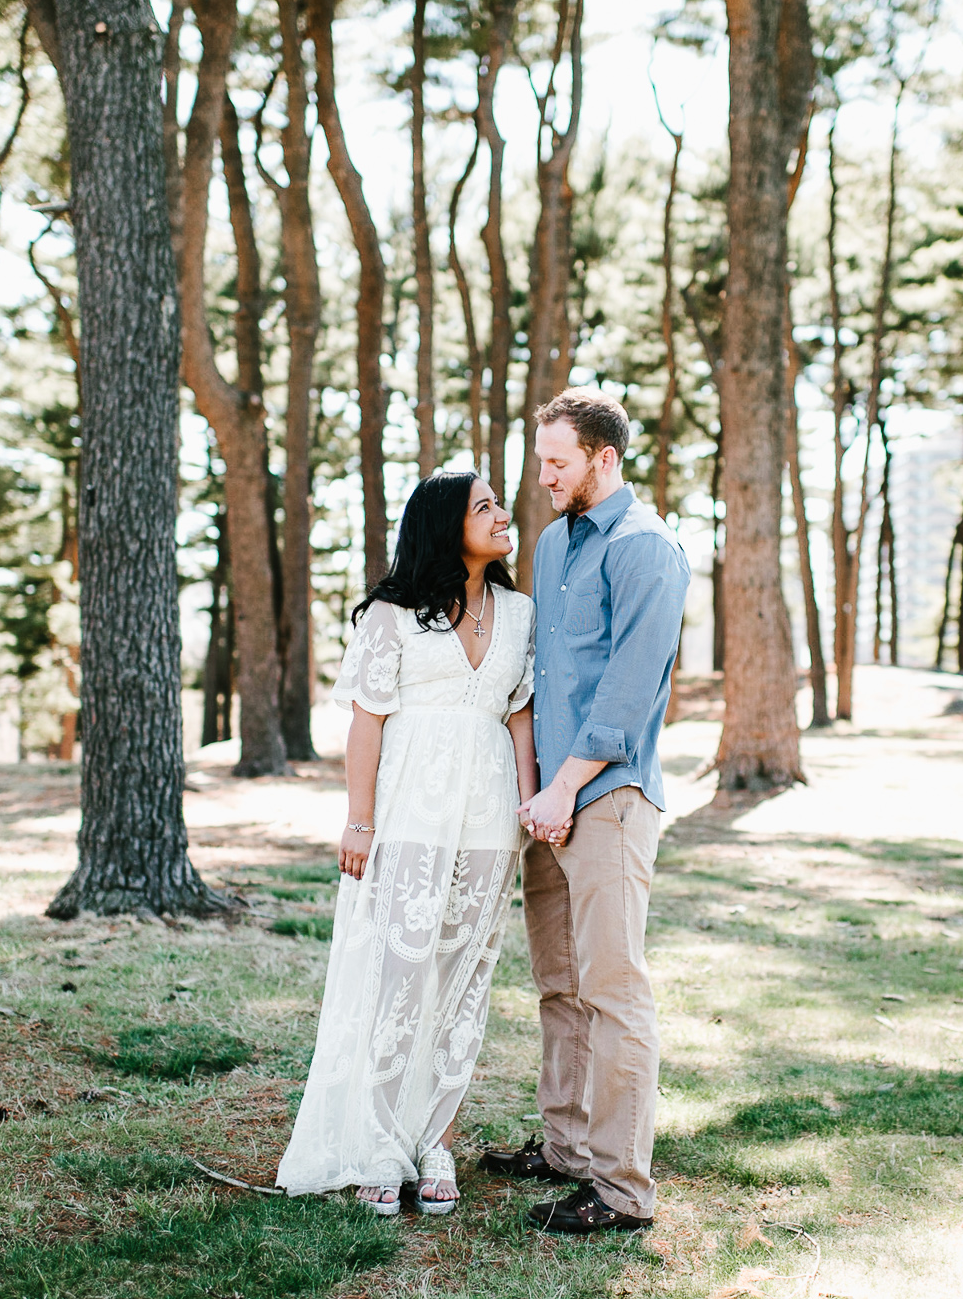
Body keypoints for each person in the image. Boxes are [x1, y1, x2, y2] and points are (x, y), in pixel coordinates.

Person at [276, 472, 537, 1216]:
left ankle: (436, 1138)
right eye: (482, 506)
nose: (500, 514)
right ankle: (384, 1139)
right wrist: (360, 820)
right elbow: (368, 721)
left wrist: (524, 807)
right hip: (410, 813)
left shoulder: (520, 613)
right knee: (399, 975)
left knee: (463, 977)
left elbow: (519, 716)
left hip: (488, 817)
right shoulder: (392, 615)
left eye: (496, 503)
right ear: (444, 526)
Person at [480, 388, 691, 1234]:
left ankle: (621, 1190)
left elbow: (628, 692)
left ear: (604, 459)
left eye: (557, 461)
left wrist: (565, 789)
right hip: (550, 808)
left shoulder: (648, 550)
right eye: (540, 461)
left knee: (612, 990)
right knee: (558, 988)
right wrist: (536, 794)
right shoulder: (551, 542)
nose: (543, 476)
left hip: (605, 799)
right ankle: (565, 1150)